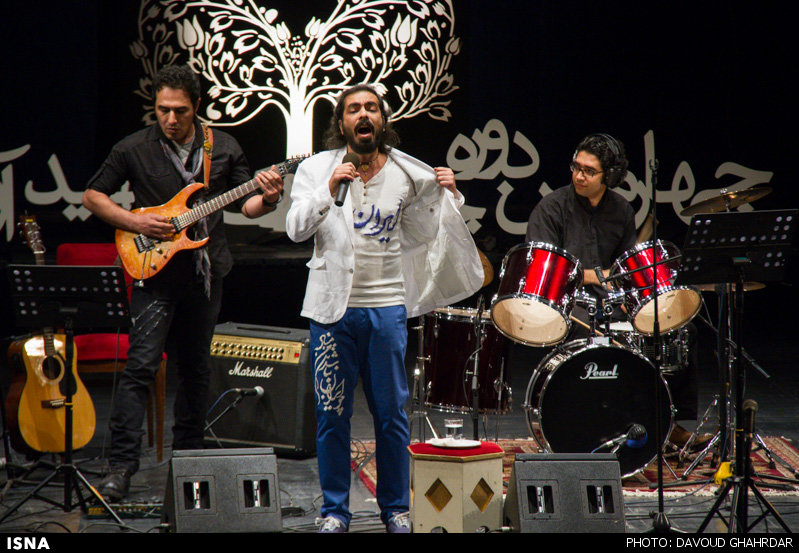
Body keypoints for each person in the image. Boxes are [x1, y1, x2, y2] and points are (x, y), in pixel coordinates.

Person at [286, 84, 483, 533]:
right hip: (331, 312)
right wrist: (328, 190)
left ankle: (395, 508)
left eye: (371, 108)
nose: (363, 115)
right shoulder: (316, 169)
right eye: (353, 109)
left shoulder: (406, 173)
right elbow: (295, 229)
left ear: (382, 119)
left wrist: (448, 197)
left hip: (387, 308)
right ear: (341, 124)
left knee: (391, 414)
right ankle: (334, 511)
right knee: (331, 413)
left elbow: (424, 232)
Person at [82, 64, 284, 500]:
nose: (170, 119)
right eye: (163, 110)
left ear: (197, 107)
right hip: (153, 273)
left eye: (180, 111)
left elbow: (247, 206)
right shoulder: (134, 147)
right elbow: (93, 196)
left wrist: (268, 198)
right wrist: (135, 221)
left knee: (196, 370)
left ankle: (190, 461)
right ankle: (121, 466)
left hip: (205, 274)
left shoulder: (223, 147)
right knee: (140, 367)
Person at [525, 133, 702, 448]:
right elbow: (546, 272)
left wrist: (628, 294)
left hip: (613, 302)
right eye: (576, 167)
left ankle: (667, 422)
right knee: (588, 332)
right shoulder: (551, 208)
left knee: (678, 330)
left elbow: (627, 269)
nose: (579, 175)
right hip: (569, 304)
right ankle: (587, 426)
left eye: (589, 171)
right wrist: (596, 276)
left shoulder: (621, 210)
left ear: (610, 175)